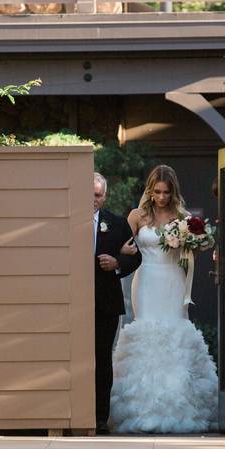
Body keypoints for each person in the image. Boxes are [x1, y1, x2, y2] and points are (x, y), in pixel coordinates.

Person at [110, 165, 218, 433]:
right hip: (146, 280)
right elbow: (120, 247)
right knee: (148, 331)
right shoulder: (137, 215)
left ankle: (175, 403)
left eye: (166, 192)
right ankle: (142, 406)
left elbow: (198, 246)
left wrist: (196, 242)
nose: (161, 197)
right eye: (157, 191)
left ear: (173, 192)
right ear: (150, 190)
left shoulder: (183, 216)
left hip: (173, 279)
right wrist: (122, 249)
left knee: (174, 333)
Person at [93, 172, 141, 435]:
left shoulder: (117, 223)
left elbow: (137, 258)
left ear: (105, 196)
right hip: (76, 300)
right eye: (90, 194)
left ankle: (100, 418)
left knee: (102, 359)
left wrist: (118, 263)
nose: (93, 200)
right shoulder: (70, 220)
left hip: (106, 302)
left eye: (98, 196)